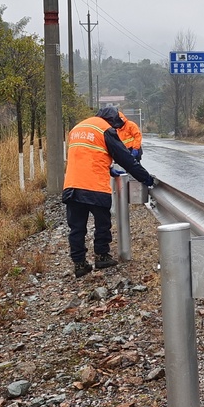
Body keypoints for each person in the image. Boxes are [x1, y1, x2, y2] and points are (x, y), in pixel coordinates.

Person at [64, 107, 155, 278]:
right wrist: (145, 177)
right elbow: (125, 159)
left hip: (72, 185)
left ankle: (79, 264)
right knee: (102, 223)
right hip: (94, 186)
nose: (116, 128)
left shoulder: (78, 128)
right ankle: (101, 256)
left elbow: (87, 154)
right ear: (111, 120)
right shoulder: (104, 129)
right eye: (116, 125)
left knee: (76, 227)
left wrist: (109, 168)